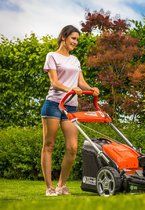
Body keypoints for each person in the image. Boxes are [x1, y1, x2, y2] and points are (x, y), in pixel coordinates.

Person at [40, 25, 99, 196]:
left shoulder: (75, 60)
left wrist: (92, 88)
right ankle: (49, 188)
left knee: (72, 147)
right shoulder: (52, 56)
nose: (76, 42)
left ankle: (61, 185)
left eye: (77, 39)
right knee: (49, 145)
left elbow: (81, 83)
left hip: (71, 106)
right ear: (64, 37)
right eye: (73, 38)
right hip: (53, 104)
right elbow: (54, 82)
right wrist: (70, 90)